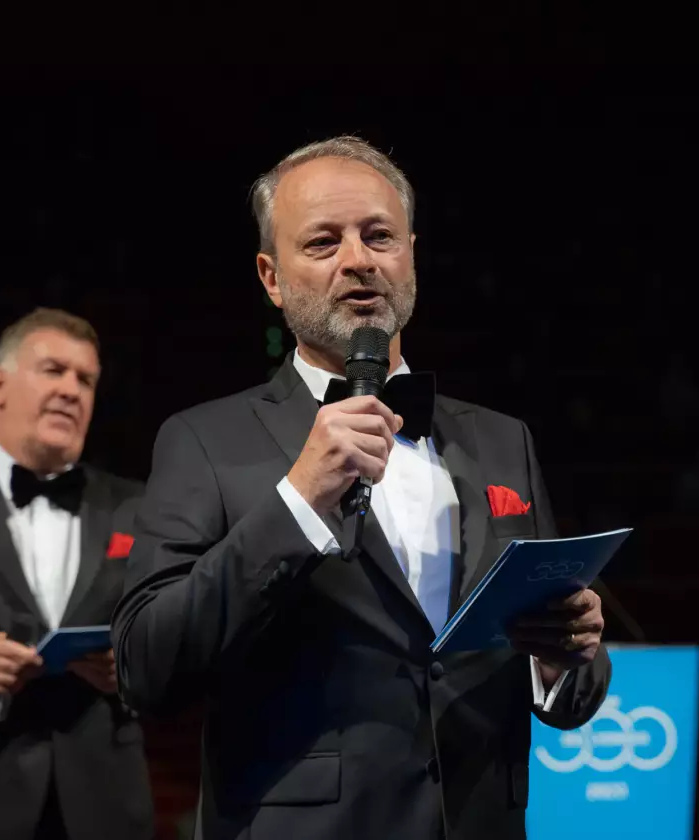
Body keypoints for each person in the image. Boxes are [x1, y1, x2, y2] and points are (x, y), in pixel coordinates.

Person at [112, 137, 610, 840]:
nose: (358, 260)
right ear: (271, 276)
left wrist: (561, 658)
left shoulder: (504, 442)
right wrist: (299, 499)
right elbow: (145, 668)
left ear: (411, 254)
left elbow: (569, 689)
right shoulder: (202, 441)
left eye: (379, 236)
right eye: (323, 242)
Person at [0, 308, 154, 840]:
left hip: (103, 802)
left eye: (85, 380)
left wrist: (134, 665)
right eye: (53, 370)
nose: (70, 390)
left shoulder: (138, 507)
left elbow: (181, 641)